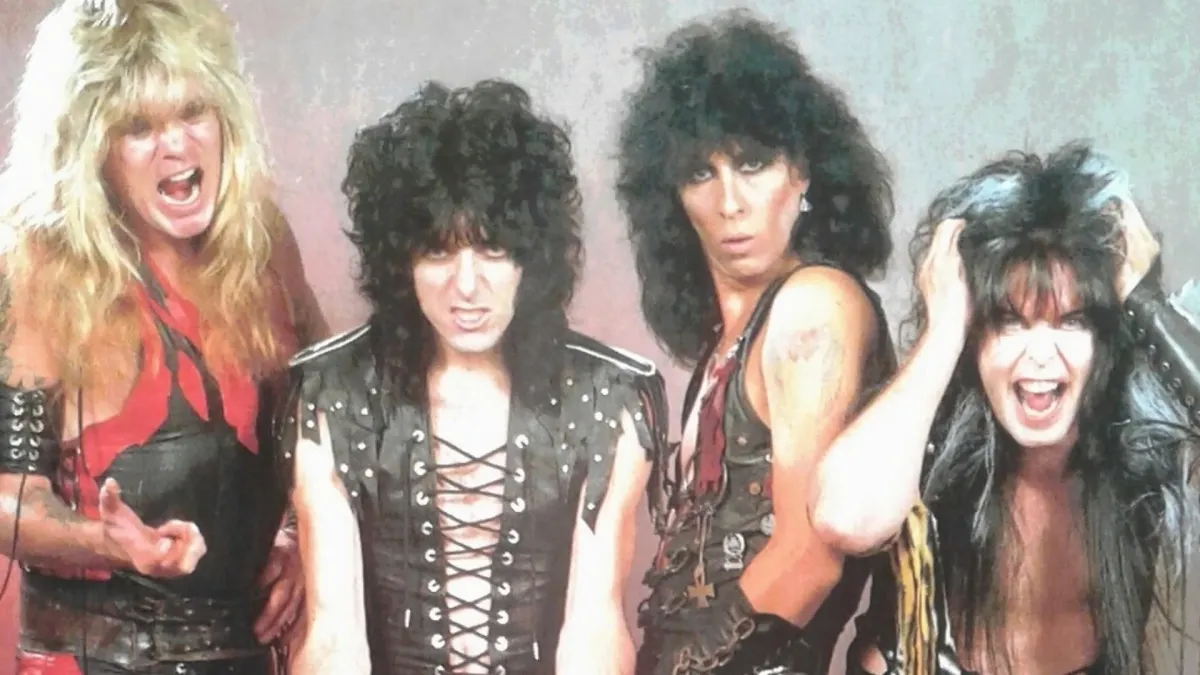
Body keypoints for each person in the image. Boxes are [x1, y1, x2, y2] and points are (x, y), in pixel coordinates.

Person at [281, 79, 669, 675]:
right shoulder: (332, 392)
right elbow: (336, 635)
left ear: (531, 259)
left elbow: (594, 627)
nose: (466, 286)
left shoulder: (607, 397)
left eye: (492, 250)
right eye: (438, 252)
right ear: (402, 260)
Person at [0, 0, 327, 673]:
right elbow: (9, 495)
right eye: (139, 127)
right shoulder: (37, 266)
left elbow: (331, 417)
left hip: (241, 649)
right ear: (90, 150)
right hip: (94, 657)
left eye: (192, 112)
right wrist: (106, 542)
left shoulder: (261, 243)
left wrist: (303, 536)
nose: (175, 144)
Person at [842, 141, 1200, 675]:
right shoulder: (927, 437)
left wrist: (1146, 305)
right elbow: (847, 519)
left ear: (1106, 339)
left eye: (1071, 321)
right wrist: (944, 330)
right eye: (1010, 322)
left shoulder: (1136, 446)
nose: (1040, 355)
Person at [616, 11, 901, 674]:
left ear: (803, 173)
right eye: (700, 173)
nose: (730, 202)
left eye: (753, 164)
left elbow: (808, 558)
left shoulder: (814, 305)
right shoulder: (727, 341)